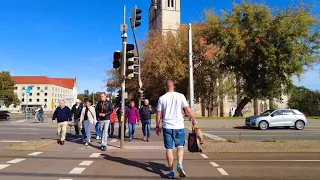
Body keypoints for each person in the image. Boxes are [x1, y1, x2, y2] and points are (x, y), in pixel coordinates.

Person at [156, 80, 197, 179]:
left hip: (167, 127)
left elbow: (158, 113)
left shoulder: (161, 98)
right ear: (173, 86)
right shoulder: (180, 96)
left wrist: (158, 126)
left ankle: (171, 172)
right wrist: (194, 120)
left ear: (165, 87)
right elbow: (188, 109)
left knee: (169, 149)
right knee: (180, 147)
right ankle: (179, 164)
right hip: (179, 126)